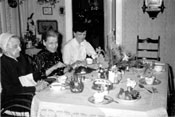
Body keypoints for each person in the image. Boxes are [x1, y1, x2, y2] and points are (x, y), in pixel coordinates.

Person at [0, 33, 48, 103]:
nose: (19, 49)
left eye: (20, 45)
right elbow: (9, 90)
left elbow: (30, 75)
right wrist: (34, 88)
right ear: (5, 49)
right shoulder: (2, 64)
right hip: (14, 100)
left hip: (28, 94)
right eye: (15, 46)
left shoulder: (22, 58)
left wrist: (38, 81)